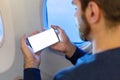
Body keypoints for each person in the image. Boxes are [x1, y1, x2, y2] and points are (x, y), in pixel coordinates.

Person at [21, 0, 120, 80]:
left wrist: (31, 63)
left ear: (92, 12)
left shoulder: (69, 77)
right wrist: (70, 49)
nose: (75, 15)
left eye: (76, 8)